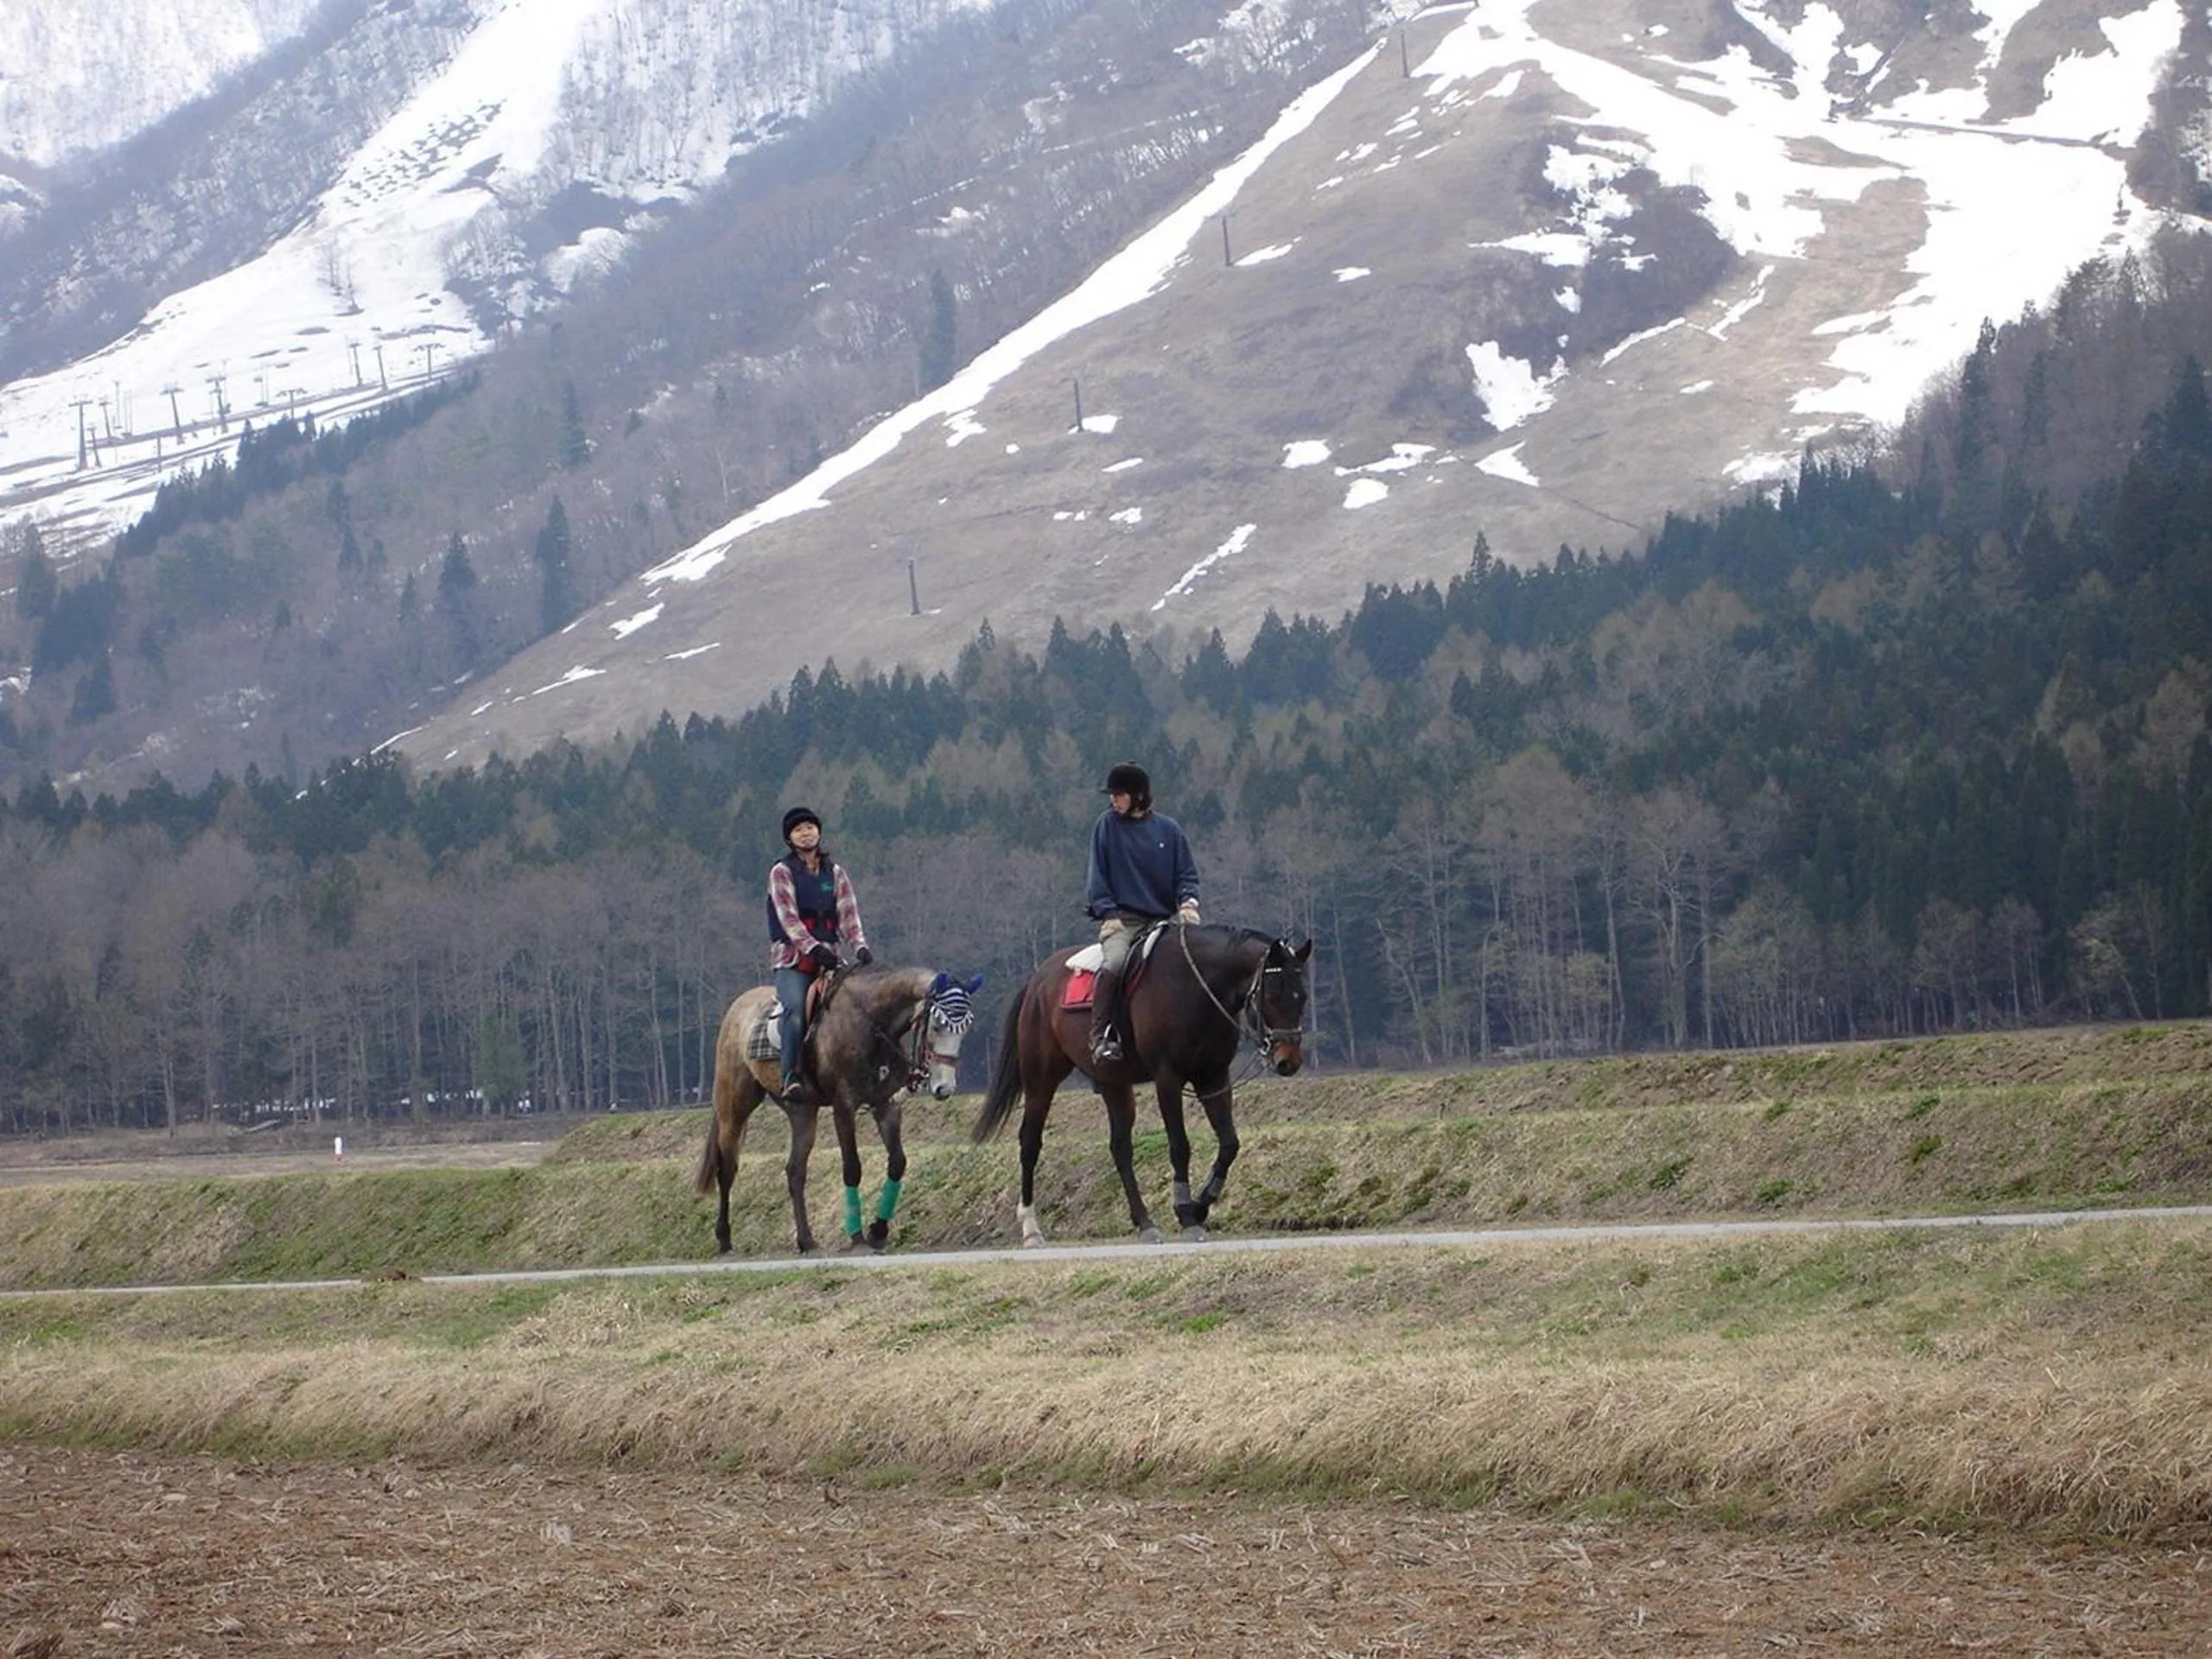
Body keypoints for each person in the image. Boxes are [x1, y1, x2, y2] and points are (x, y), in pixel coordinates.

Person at [1084, 760, 1200, 1064]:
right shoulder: (1106, 826)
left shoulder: (1169, 830)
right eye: (1112, 795)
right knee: (1116, 964)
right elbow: (1097, 878)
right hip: (1124, 921)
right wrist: (1108, 914)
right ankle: (1100, 1037)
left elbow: (1186, 874)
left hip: (1164, 920)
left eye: (1118, 794)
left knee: (1195, 962)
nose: (1112, 800)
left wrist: (1188, 902)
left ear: (1137, 796)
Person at [766, 806, 872, 1104]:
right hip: (793, 961)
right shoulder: (782, 873)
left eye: (810, 827)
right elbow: (789, 921)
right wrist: (813, 949)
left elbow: (848, 914)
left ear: (819, 831)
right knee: (796, 1013)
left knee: (859, 1009)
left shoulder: (835, 873)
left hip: (831, 960)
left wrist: (860, 946)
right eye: (798, 829)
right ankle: (790, 1076)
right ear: (789, 838)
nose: (806, 832)